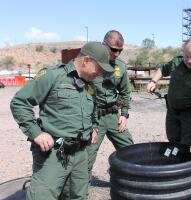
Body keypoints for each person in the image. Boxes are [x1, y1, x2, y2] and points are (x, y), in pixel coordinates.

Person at [10, 42, 113, 200]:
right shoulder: (53, 76)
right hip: (54, 155)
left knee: (77, 196)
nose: (100, 74)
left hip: (80, 154)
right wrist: (36, 133)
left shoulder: (90, 85)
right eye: (99, 68)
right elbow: (19, 102)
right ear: (86, 60)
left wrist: (93, 127)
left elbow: (92, 109)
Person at [147, 38, 191, 145]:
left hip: (190, 116)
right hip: (172, 112)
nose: (189, 60)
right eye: (186, 56)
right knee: (172, 140)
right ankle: (174, 160)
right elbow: (162, 69)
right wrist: (153, 81)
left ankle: (186, 161)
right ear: (183, 53)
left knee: (187, 145)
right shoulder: (176, 62)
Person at [86, 30, 133, 183]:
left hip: (113, 115)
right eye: (113, 49)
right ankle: (80, 193)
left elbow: (125, 91)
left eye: (120, 50)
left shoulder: (120, 66)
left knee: (130, 151)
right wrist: (87, 122)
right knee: (86, 158)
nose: (117, 54)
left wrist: (124, 114)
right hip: (94, 118)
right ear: (103, 45)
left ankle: (132, 184)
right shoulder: (90, 64)